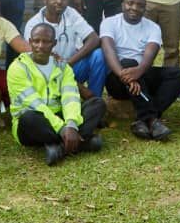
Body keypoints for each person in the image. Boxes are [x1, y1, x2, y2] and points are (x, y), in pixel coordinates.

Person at [8, 23, 107, 165]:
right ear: (30, 42)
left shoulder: (62, 67)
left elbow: (70, 97)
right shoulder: (18, 67)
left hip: (59, 115)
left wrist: (71, 124)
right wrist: (62, 129)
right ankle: (81, 142)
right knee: (28, 117)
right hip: (35, 122)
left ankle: (59, 147)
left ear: (54, 43)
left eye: (46, 41)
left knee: (97, 104)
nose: (40, 46)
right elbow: (34, 104)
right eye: (36, 41)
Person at [101, 0, 180, 140]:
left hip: (141, 73)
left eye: (140, 5)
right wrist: (126, 75)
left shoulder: (153, 27)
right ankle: (151, 119)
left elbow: (150, 55)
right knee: (129, 62)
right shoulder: (109, 23)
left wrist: (138, 72)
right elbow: (108, 52)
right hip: (116, 79)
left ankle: (145, 119)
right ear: (123, 5)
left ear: (144, 9)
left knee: (178, 74)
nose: (134, 8)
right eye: (130, 3)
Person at [24, 0, 108, 97]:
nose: (59, 1)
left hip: (72, 66)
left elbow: (94, 38)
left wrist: (69, 63)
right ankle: (79, 96)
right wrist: (60, 68)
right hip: (47, 72)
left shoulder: (70, 13)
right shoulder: (33, 24)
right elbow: (34, 57)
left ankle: (95, 102)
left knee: (98, 55)